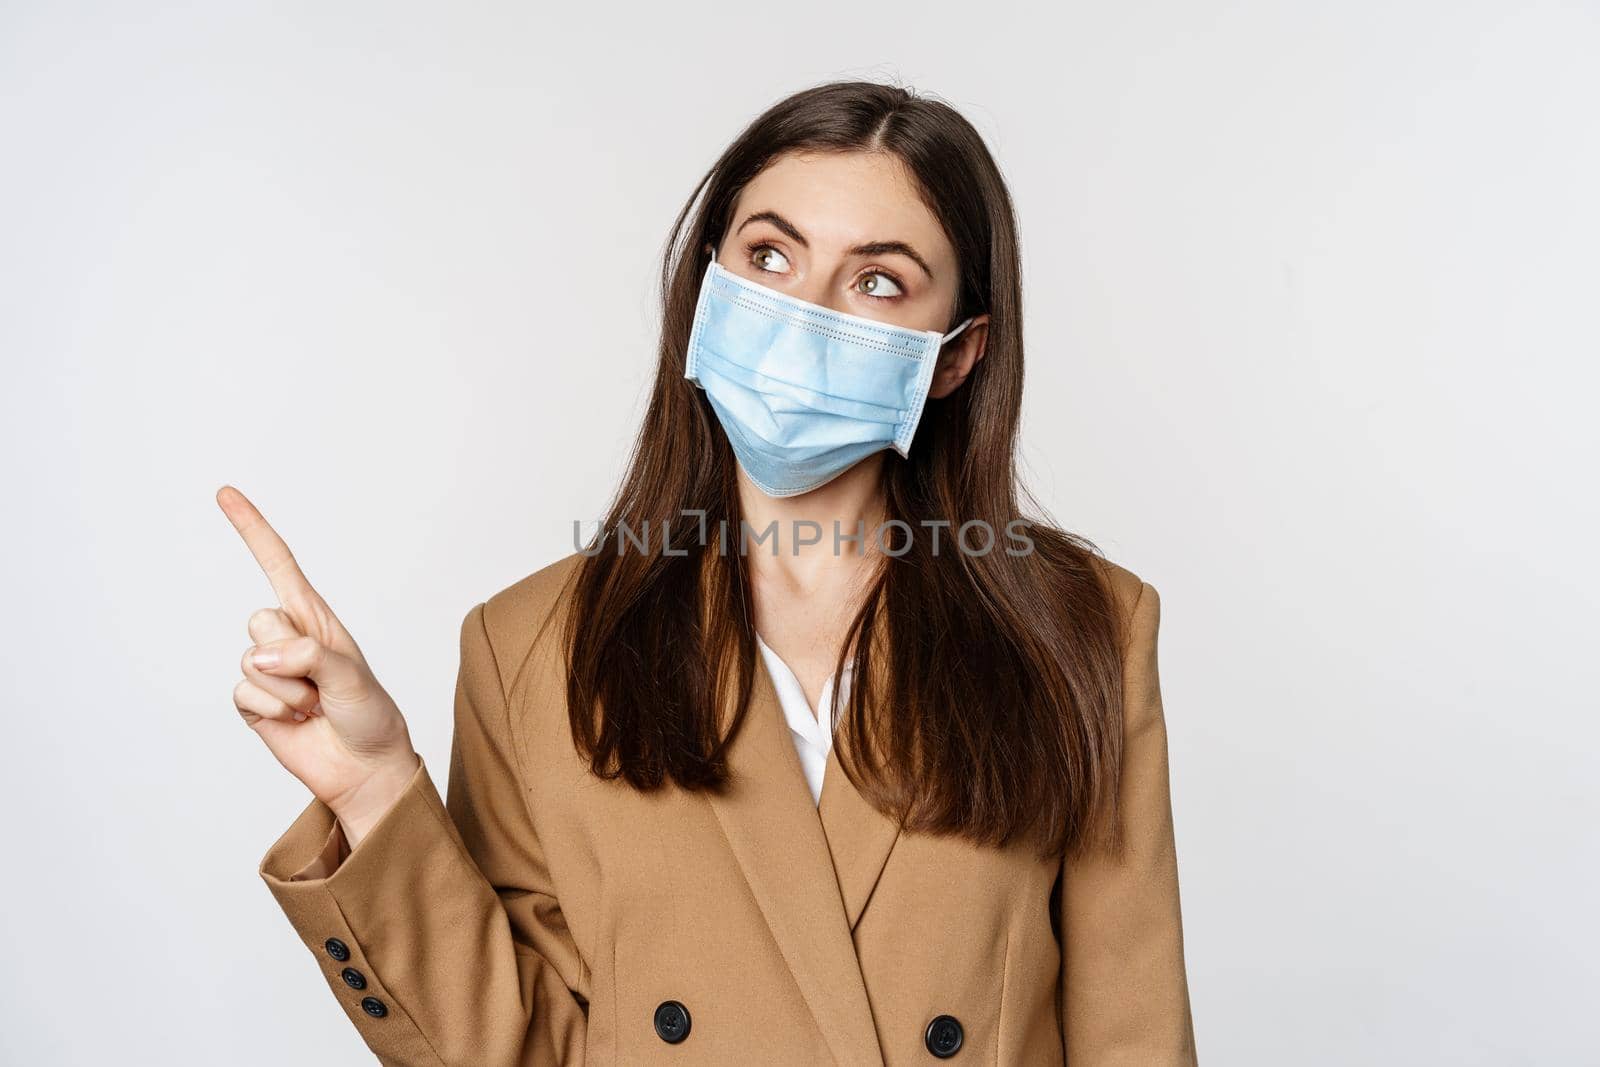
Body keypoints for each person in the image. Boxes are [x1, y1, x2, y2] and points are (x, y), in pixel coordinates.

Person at [220, 79, 1197, 1065]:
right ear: (706, 289)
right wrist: (375, 787)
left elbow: (1134, 1033)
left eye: (877, 282)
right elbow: (517, 1047)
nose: (803, 314)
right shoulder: (531, 647)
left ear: (955, 355)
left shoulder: (1081, 630)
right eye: (769, 255)